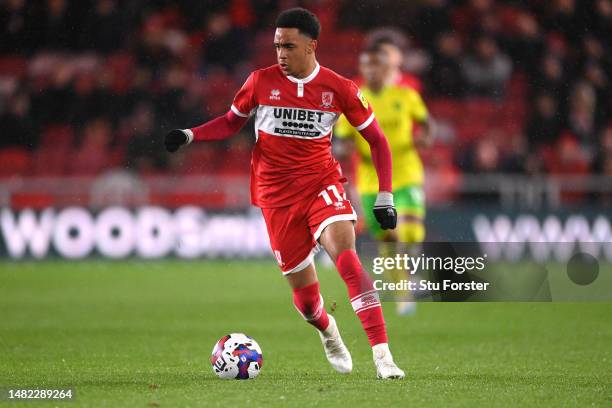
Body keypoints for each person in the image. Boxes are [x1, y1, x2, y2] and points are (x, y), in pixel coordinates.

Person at [164, 8, 405, 379]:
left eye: (289, 46)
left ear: (312, 46)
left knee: (348, 261)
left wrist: (385, 196)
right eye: (277, 46)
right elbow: (231, 122)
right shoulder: (259, 82)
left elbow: (377, 140)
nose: (280, 54)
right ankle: (328, 330)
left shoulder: (338, 88)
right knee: (309, 304)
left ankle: (383, 357)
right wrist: (191, 135)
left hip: (322, 185)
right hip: (276, 199)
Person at [335, 46, 433, 316]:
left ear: (386, 69)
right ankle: (403, 293)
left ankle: (410, 269)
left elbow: (426, 123)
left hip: (406, 171)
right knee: (388, 239)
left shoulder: (406, 95)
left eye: (375, 66)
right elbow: (342, 137)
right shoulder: (355, 100)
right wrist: (342, 148)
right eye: (365, 67)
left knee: (410, 230)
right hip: (370, 179)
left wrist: (425, 136)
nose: (370, 72)